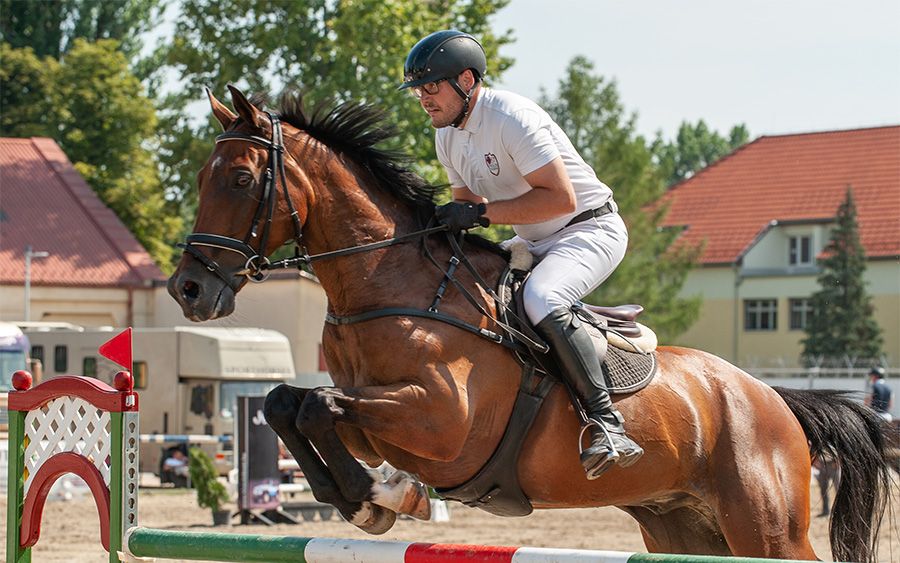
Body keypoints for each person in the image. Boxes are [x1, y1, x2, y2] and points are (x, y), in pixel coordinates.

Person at [400, 30, 643, 479]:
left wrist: (479, 213)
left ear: (466, 81)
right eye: (418, 90)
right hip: (532, 240)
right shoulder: (447, 136)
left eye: (430, 87)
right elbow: (467, 210)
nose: (423, 99)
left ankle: (609, 424)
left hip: (588, 229)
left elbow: (560, 199)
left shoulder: (511, 117)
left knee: (542, 299)